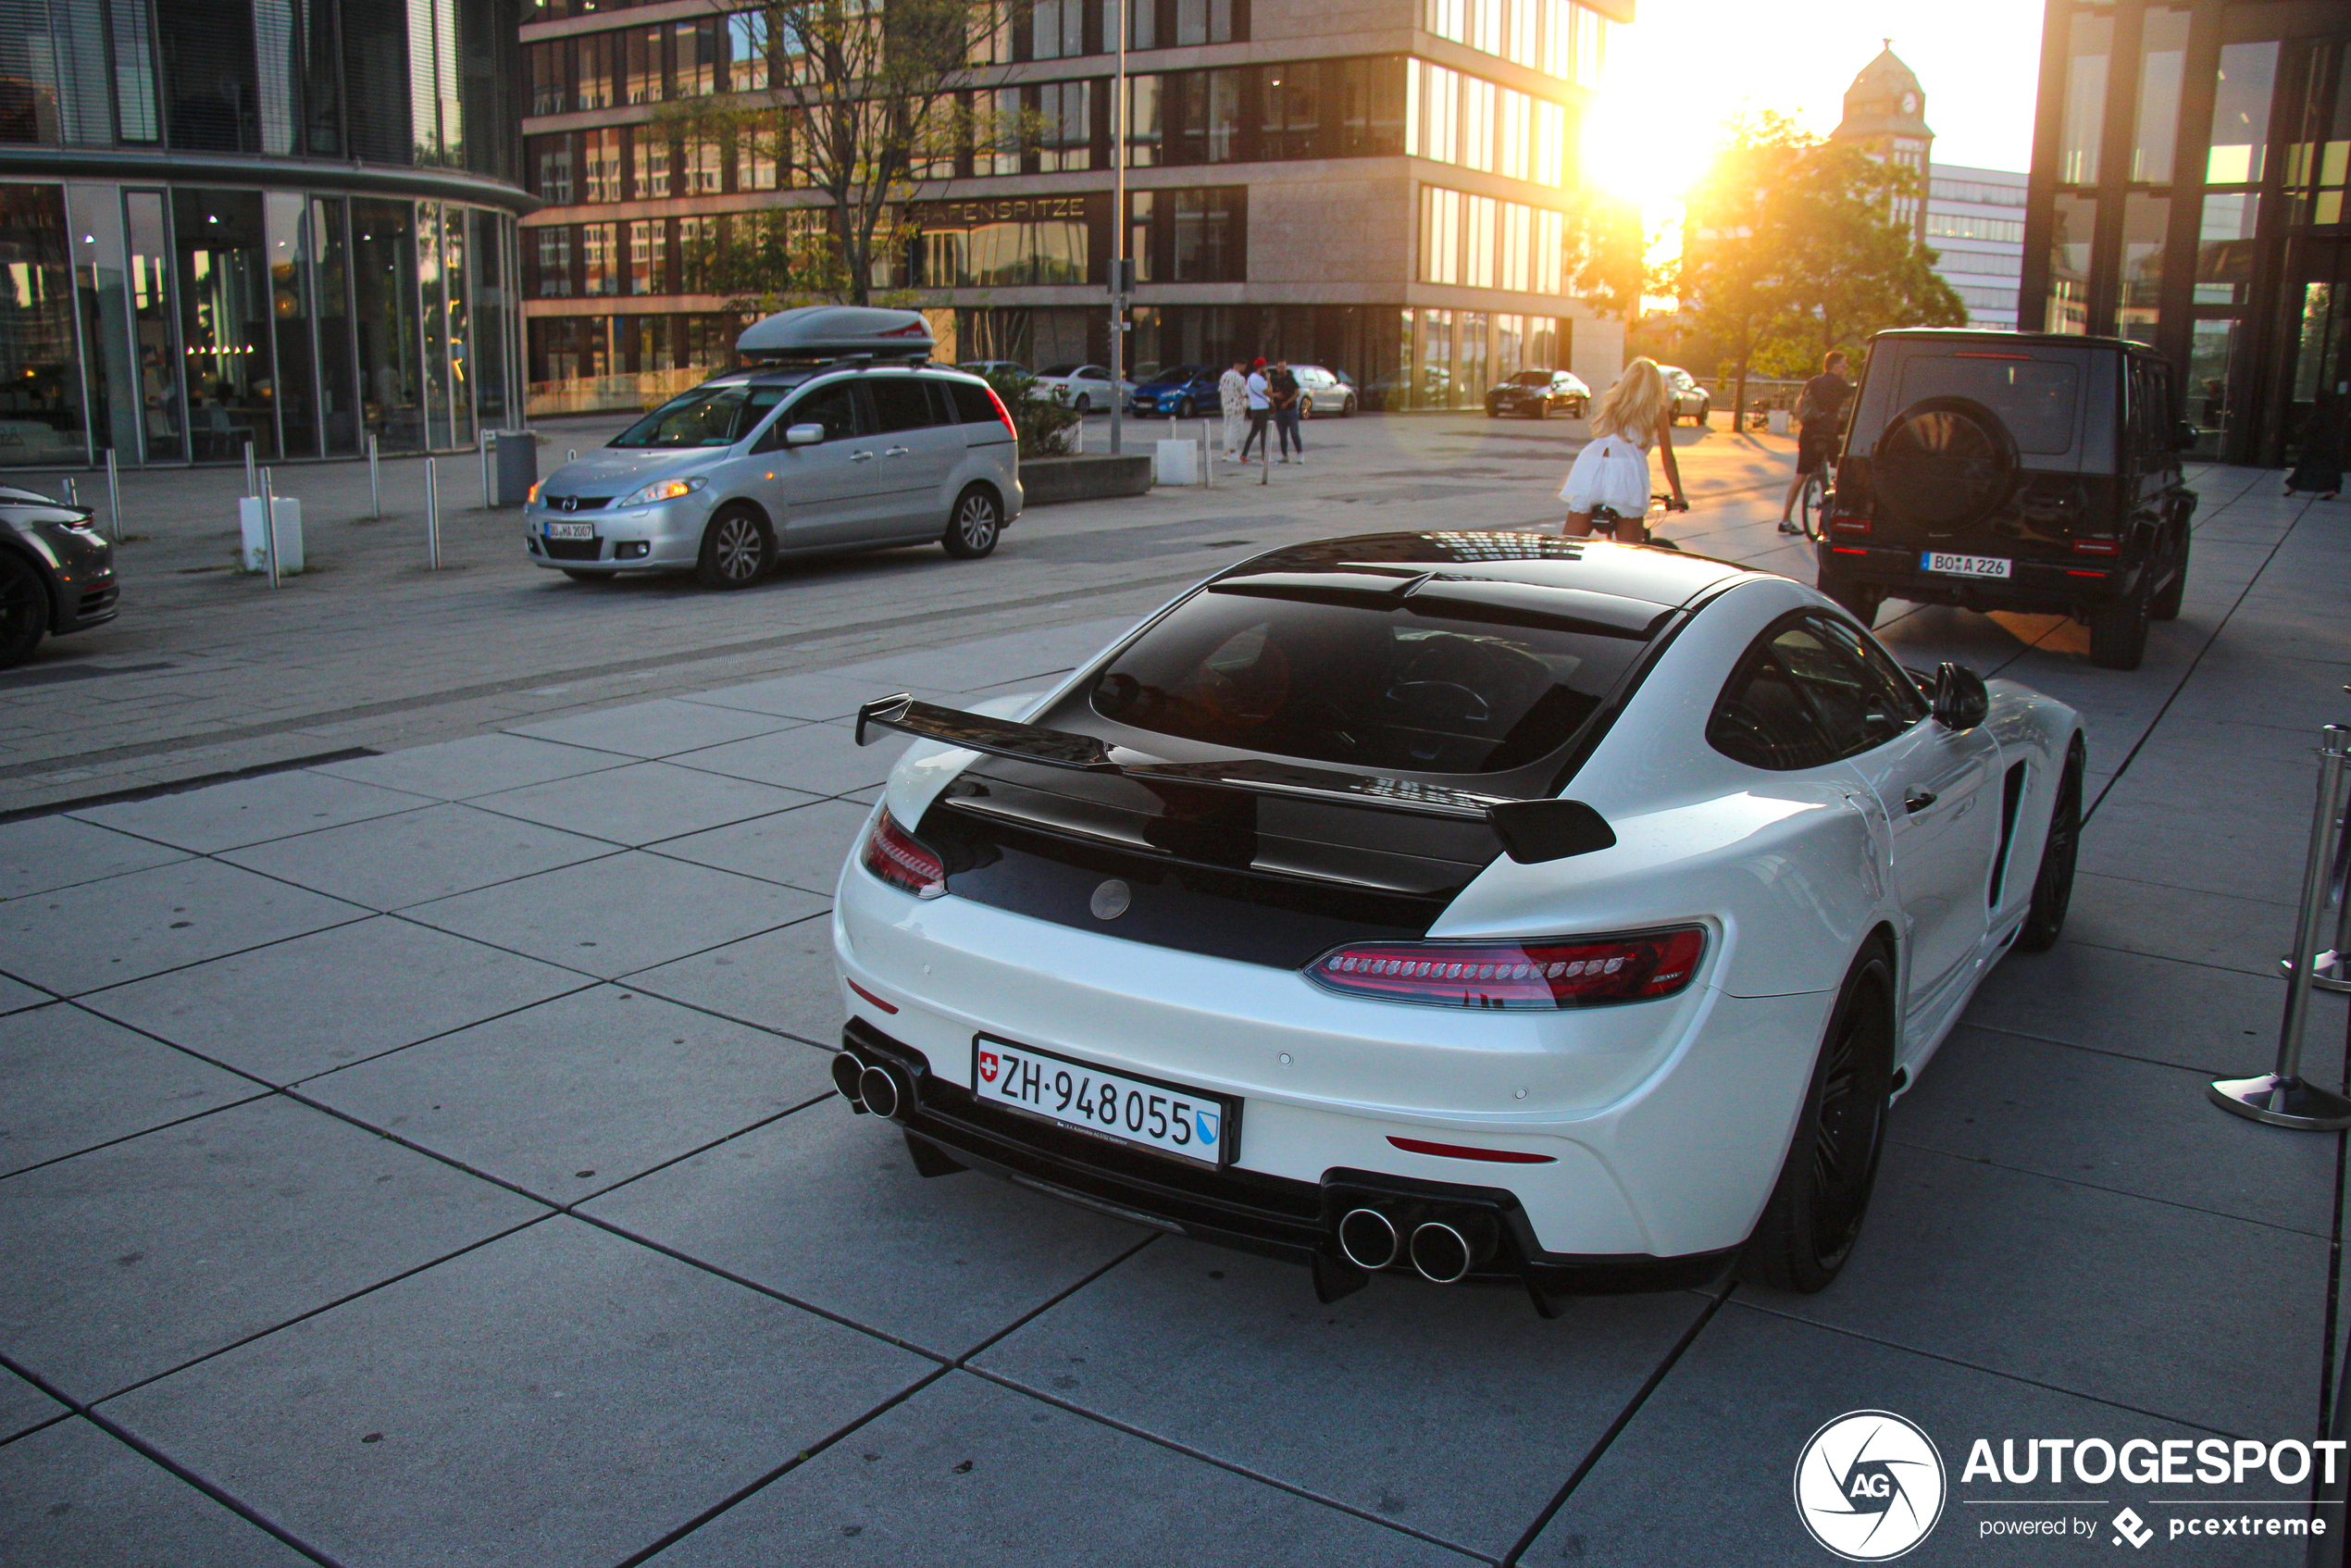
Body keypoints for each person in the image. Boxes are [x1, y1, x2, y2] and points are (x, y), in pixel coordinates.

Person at [1557, 357, 1687, 543]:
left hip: (1590, 464)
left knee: (1568, 546)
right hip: (1627, 471)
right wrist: (1678, 494)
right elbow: (1668, 458)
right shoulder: (1656, 410)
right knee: (1629, 551)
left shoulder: (1612, 402)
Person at [1779, 349, 1851, 532]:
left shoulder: (1813, 382)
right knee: (1842, 470)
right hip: (1828, 434)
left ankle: (1785, 520)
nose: (1846, 368)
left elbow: (1802, 404)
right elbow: (1853, 403)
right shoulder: (1840, 384)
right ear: (1835, 366)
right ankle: (1832, 513)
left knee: (1801, 475)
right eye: (1844, 365)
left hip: (1809, 433)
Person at [2284, 391, 2345, 502]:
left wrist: (2300, 430)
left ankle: (2292, 487)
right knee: (2330, 467)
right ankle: (2332, 488)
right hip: (2330, 445)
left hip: (2315, 446)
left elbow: (2311, 428)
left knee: (2303, 466)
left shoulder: (2318, 413)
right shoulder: (2334, 414)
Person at [1239, 357, 1273, 463]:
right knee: (1264, 433)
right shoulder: (1259, 379)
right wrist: (1268, 379)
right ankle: (1265, 457)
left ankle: (1244, 455)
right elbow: (1269, 391)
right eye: (1265, 367)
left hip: (1254, 408)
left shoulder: (1250, 378)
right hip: (1262, 408)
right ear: (1261, 368)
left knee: (1253, 432)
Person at [1270, 359, 1302, 464]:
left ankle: (1300, 454)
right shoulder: (1274, 379)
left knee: (1294, 432)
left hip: (1291, 409)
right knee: (1282, 434)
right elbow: (1270, 392)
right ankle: (1284, 455)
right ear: (1276, 368)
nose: (1281, 369)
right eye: (1279, 367)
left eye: (1283, 367)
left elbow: (1297, 393)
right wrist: (1272, 401)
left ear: (1286, 368)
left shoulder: (1291, 379)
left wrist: (1287, 402)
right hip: (1279, 410)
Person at [1218, 359, 1248, 461]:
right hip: (1237, 407)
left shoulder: (1224, 376)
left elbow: (1220, 389)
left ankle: (1226, 453)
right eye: (1244, 366)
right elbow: (1245, 393)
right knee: (1235, 429)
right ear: (1241, 365)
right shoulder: (1239, 378)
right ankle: (1232, 452)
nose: (1244, 369)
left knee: (1227, 429)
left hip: (1226, 406)